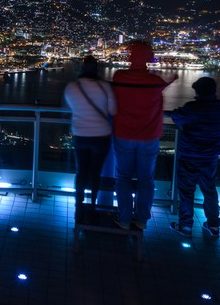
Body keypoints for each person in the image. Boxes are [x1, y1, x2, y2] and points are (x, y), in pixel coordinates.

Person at [111, 41, 177, 230]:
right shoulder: (154, 82)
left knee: (123, 177)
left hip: (123, 134)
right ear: (149, 58)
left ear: (130, 57)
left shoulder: (119, 76)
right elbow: (166, 82)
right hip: (149, 137)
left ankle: (124, 218)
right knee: (146, 180)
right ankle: (141, 220)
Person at [170, 77, 220, 239]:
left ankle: (186, 226)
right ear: (214, 91)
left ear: (197, 92)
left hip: (189, 155)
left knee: (186, 191)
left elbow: (176, 117)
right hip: (210, 157)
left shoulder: (192, 108)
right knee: (209, 190)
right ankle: (214, 225)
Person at [63, 56, 117, 224]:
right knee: (96, 173)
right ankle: (92, 206)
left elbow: (67, 109)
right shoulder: (105, 86)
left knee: (81, 173)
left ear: (81, 68)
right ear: (97, 69)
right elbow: (113, 111)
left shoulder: (72, 87)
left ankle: (78, 209)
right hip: (101, 136)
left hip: (80, 135)